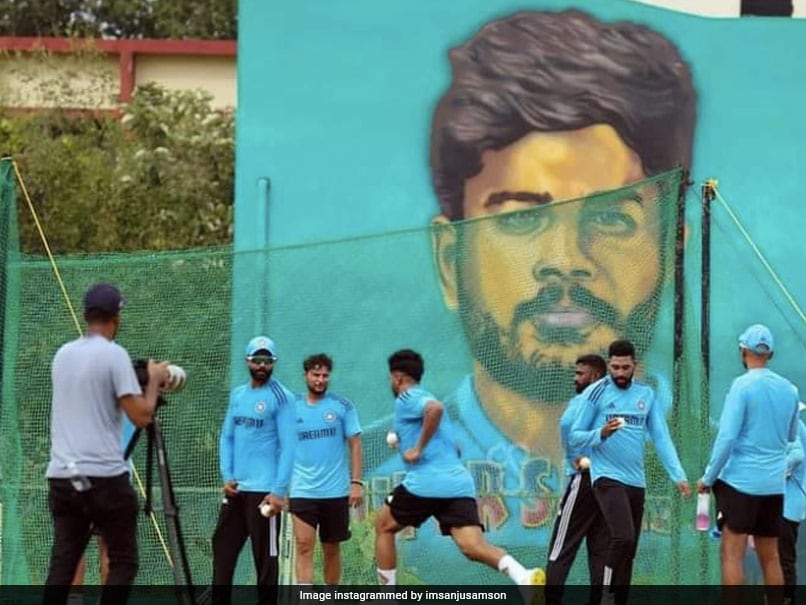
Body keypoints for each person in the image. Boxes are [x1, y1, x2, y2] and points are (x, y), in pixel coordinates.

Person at [369, 8, 697, 583]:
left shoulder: (711, 449)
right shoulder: (379, 465)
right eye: (521, 218)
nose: (565, 260)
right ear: (451, 261)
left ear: (670, 253)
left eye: (614, 219)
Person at [374, 349, 543, 587]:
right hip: (457, 484)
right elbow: (455, 447)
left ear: (397, 378)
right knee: (472, 546)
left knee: (383, 527)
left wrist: (418, 449)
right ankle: (523, 576)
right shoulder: (427, 399)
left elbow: (434, 409)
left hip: (425, 484)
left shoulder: (407, 398)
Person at [44, 283, 168, 605]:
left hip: (62, 475)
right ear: (116, 317)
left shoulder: (62, 355)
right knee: (123, 560)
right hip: (103, 476)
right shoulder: (114, 355)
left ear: (87, 315)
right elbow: (141, 415)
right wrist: (153, 379)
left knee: (64, 560)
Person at [570, 339, 690, 605]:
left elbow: (661, 437)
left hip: (636, 481)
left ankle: (617, 599)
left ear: (635, 364)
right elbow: (575, 437)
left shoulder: (645, 395)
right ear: (609, 364)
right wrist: (601, 433)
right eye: (615, 367)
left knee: (630, 549)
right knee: (622, 536)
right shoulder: (596, 393)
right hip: (606, 478)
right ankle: (605, 593)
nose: (621, 373)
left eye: (625, 367)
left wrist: (678, 476)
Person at [697, 324, 799, 591]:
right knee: (771, 556)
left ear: (743, 351)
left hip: (740, 483)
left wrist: (708, 477)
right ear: (771, 354)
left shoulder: (741, 386)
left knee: (732, 554)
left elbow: (727, 437)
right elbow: (790, 437)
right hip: (774, 486)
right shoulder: (790, 390)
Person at [212, 335, 296, 605]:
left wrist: (278, 490)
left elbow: (289, 446)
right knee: (222, 548)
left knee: (266, 561)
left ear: (274, 363)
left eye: (267, 360)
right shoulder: (238, 395)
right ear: (247, 361)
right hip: (237, 491)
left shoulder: (282, 397)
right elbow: (227, 437)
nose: (262, 365)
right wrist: (227, 476)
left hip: (265, 494)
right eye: (257, 359)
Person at [289, 353, 363, 585]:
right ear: (305, 375)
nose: (320, 380)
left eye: (324, 376)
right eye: (315, 375)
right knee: (303, 546)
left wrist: (356, 482)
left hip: (335, 491)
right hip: (302, 490)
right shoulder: (291, 408)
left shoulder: (342, 406)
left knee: (331, 548)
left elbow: (355, 444)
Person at [545, 353, 608, 605]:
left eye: (579, 373)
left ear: (594, 376)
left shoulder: (586, 399)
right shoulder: (613, 399)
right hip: (609, 482)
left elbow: (567, 424)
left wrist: (575, 455)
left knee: (562, 547)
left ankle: (550, 599)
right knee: (601, 548)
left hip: (584, 478)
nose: (575, 378)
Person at [780, 407, 806, 605]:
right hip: (793, 505)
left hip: (788, 504)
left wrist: (778, 471)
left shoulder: (794, 427)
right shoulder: (800, 427)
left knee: (784, 556)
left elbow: (797, 456)